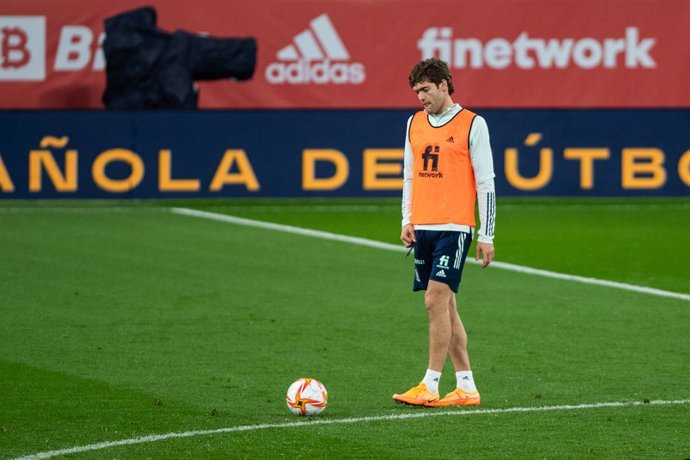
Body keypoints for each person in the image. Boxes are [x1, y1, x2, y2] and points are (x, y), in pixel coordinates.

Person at [392, 57, 496, 407]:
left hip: (455, 227)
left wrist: (487, 235)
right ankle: (466, 386)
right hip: (424, 226)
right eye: (416, 92)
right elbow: (409, 174)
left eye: (424, 90)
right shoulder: (414, 123)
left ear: (443, 85)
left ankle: (430, 384)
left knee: (434, 300)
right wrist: (408, 219)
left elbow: (486, 182)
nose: (420, 97)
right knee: (447, 308)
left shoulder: (472, 124)